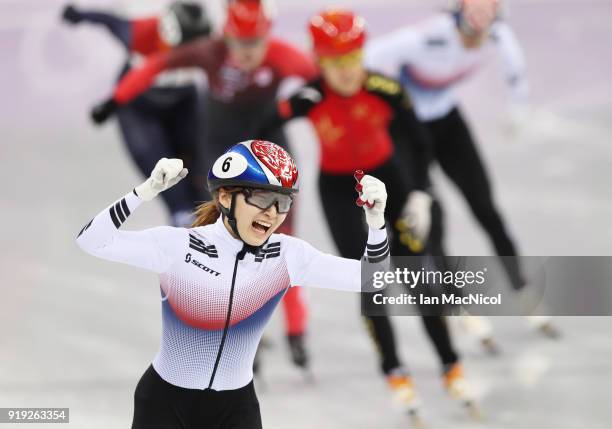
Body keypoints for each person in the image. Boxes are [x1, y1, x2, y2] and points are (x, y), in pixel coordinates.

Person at [254, 9, 478, 419]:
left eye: (353, 60)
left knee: (416, 276)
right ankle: (393, 369)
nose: (346, 72)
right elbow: (263, 129)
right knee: (369, 282)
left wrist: (420, 195)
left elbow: (420, 141)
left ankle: (450, 363)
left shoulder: (385, 89)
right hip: (338, 190)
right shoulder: (309, 98)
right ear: (319, 61)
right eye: (335, 64)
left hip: (388, 182)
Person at [76, 140, 390, 428]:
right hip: (165, 405)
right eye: (263, 197)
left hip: (235, 411)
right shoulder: (178, 246)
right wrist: (143, 193)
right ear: (225, 196)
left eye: (282, 202)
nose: (272, 213)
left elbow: (373, 279)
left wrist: (376, 224)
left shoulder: (287, 256)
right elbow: (92, 241)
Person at [86, 0, 318, 366]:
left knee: (281, 241)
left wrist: (301, 105)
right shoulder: (211, 52)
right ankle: (233, 328)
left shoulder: (283, 56)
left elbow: (326, 80)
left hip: (271, 157)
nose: (246, 53)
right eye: (239, 43)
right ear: (226, 36)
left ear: (267, 37)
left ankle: (296, 329)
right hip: (222, 159)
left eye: (254, 43)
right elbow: (153, 67)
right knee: (225, 248)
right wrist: (114, 101)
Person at [365, 0, 559, 343]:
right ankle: (458, 306)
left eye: (483, 34)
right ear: (456, 20)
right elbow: (368, 58)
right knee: (431, 222)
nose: (475, 41)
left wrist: (518, 107)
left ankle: (524, 292)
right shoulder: (426, 37)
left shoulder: (498, 34)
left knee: (486, 208)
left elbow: (515, 70)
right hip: (408, 131)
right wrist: (385, 102)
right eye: (469, 33)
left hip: (449, 124)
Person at [61, 1, 211, 227]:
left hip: (182, 102)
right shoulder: (138, 33)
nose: (192, 56)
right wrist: (79, 15)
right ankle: (181, 218)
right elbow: (111, 21)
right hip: (139, 108)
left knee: (200, 168)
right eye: (186, 50)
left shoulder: (206, 40)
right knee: (165, 173)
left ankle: (209, 218)